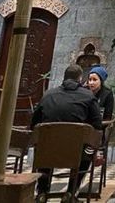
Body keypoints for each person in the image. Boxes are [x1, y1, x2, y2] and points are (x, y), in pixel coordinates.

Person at [31, 63, 103, 198]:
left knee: (44, 144)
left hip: (47, 151)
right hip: (76, 152)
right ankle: (71, 191)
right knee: (88, 150)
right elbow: (97, 125)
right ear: (80, 79)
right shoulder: (88, 96)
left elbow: (34, 124)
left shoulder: (48, 95)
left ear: (64, 78)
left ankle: (42, 191)